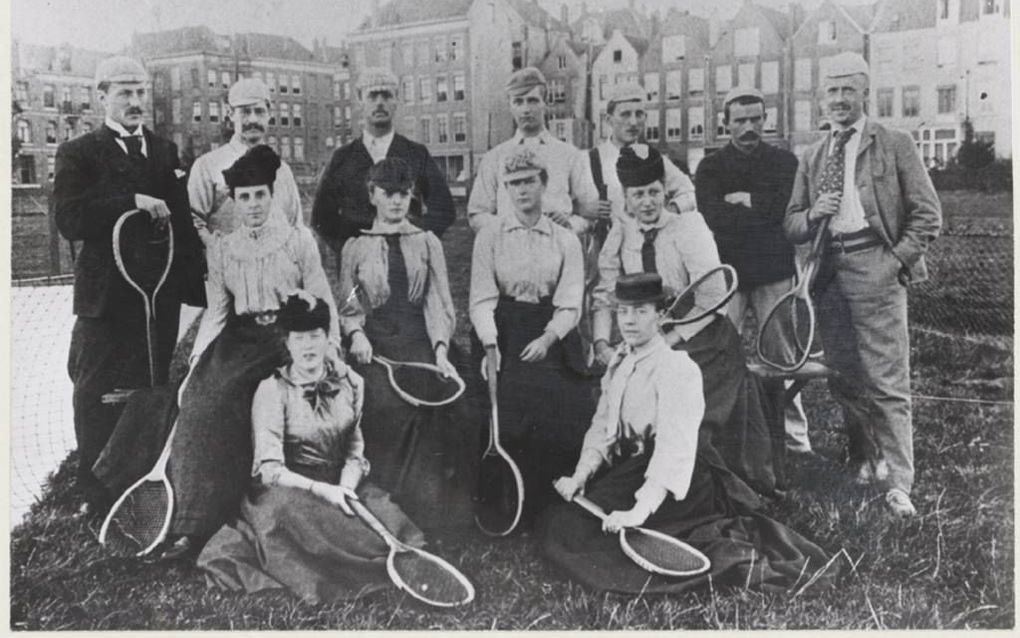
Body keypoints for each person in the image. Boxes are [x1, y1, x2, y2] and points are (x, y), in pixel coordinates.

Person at [540, 273, 833, 594]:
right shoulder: (621, 361)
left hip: (678, 482)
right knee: (561, 523)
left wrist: (640, 509)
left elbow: (673, 448)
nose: (629, 321)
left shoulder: (677, 369)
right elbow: (603, 426)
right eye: (623, 311)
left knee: (581, 539)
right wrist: (581, 475)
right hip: (630, 469)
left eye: (641, 311)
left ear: (661, 315)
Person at [784, 52, 942, 517]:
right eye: (830, 91)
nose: (838, 99)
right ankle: (867, 458)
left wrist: (895, 261)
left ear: (865, 94)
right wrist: (814, 213)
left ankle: (899, 484)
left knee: (887, 379)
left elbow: (928, 215)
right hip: (828, 274)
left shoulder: (894, 143)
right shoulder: (813, 155)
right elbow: (791, 225)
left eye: (847, 90)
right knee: (845, 379)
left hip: (876, 264)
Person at [165, 145, 340, 557]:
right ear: (235, 202)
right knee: (205, 401)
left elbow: (321, 298)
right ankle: (192, 524)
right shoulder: (224, 248)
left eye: (260, 194)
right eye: (244, 197)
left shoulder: (298, 241)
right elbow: (218, 314)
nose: (253, 205)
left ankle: (278, 511)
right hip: (239, 340)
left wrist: (330, 349)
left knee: (285, 402)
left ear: (273, 194)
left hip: (288, 337)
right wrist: (198, 363)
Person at [197, 293, 425, 604]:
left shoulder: (351, 383)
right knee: (296, 519)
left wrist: (345, 488)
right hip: (288, 488)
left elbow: (355, 450)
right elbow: (270, 470)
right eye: (299, 338)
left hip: (339, 482)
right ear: (287, 344)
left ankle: (373, 561)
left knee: (384, 519)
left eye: (315, 336)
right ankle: (335, 573)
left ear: (327, 338)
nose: (308, 346)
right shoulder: (272, 390)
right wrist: (321, 491)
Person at [53, 55, 205, 515]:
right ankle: (97, 493)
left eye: (141, 92)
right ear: (102, 96)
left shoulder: (163, 151)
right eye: (125, 92)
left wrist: (199, 286)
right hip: (106, 300)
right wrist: (128, 202)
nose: (136, 101)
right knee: (96, 393)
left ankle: (141, 484)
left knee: (151, 388)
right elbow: (70, 219)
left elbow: (181, 219)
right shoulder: (78, 152)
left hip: (158, 296)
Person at [592, 146, 781, 495]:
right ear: (626, 198)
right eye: (638, 195)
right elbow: (605, 293)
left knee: (685, 411)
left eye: (654, 192)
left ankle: (694, 487)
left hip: (703, 339)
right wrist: (603, 342)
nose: (647, 202)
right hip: (647, 336)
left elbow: (713, 300)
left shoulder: (689, 227)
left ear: (665, 191)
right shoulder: (620, 234)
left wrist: (668, 340)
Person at [337, 158, 474, 529]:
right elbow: (348, 307)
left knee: (453, 405)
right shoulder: (356, 247)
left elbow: (438, 302)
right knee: (389, 407)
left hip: (422, 342)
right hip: (376, 348)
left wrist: (442, 351)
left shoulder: (427, 242)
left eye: (403, 193)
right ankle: (396, 509)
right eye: (388, 193)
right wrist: (357, 335)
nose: (397, 201)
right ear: (373, 195)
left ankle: (441, 512)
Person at [469, 147, 595, 524]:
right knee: (505, 404)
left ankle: (551, 506)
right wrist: (491, 345)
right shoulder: (490, 236)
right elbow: (481, 299)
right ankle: (509, 502)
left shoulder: (565, 238)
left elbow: (572, 302)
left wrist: (548, 339)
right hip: (503, 330)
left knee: (561, 405)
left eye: (528, 181)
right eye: (513, 184)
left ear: (543, 184)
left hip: (551, 333)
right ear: (505, 189)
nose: (521, 190)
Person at [694, 86, 810, 453]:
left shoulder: (784, 162)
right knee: (720, 352)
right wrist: (760, 210)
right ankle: (719, 432)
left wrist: (746, 203)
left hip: (774, 273)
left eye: (755, 119)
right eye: (740, 120)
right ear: (725, 124)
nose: (748, 127)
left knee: (781, 353)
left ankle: (795, 438)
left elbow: (784, 211)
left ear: (765, 120)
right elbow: (712, 216)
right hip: (727, 277)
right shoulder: (710, 166)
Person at [311, 67, 455, 261]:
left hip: (409, 263)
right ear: (361, 102)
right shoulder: (342, 157)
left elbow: (444, 207)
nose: (380, 102)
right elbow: (321, 217)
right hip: (359, 268)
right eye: (372, 96)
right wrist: (349, 249)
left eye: (386, 95)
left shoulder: (416, 154)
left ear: (396, 101)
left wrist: (419, 241)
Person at [467, 67, 599, 237]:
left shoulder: (570, 155)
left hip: (558, 248)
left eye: (532, 100)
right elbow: (477, 213)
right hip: (511, 251)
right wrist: (507, 227)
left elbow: (590, 210)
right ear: (510, 106)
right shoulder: (494, 158)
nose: (526, 109)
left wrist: (570, 225)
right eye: (518, 102)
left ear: (546, 102)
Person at [188, 77, 304, 242]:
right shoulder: (207, 166)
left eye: (259, 111)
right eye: (245, 112)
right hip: (228, 265)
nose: (253, 120)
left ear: (269, 114)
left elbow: (296, 226)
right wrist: (217, 253)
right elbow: (194, 222)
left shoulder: (283, 171)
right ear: (230, 114)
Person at [590, 82, 696, 221]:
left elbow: (689, 193)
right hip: (609, 240)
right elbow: (569, 211)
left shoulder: (653, 159)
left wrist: (668, 212)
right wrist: (583, 212)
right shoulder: (589, 161)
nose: (633, 122)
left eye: (639, 114)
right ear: (609, 120)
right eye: (625, 114)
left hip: (649, 241)